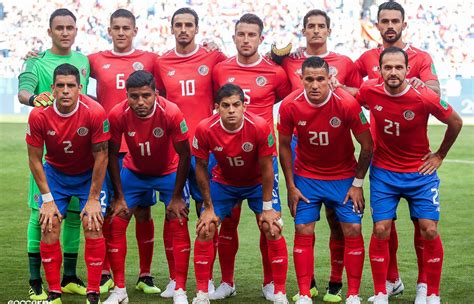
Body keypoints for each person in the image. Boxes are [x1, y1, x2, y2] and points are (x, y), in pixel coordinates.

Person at [356, 47, 462, 304]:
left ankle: (430, 292)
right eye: (388, 67)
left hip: (419, 174)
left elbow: (456, 122)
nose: (393, 72)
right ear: (379, 71)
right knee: (381, 229)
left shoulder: (424, 95)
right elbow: (353, 97)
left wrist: (439, 155)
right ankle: (382, 292)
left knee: (428, 229)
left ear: (407, 70)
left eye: (398, 67)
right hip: (384, 173)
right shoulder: (370, 90)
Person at [355, 3, 441, 302]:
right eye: (384, 21)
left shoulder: (421, 57)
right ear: (376, 25)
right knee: (383, 226)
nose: (390, 25)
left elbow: (435, 92)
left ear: (404, 24)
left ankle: (425, 285)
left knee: (423, 226)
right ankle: (391, 280)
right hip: (382, 159)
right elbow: (352, 93)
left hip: (416, 160)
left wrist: (421, 85)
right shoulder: (366, 58)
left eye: (395, 21)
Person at [280, 10, 362, 302]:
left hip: (341, 173)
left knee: (345, 226)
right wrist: (290, 184)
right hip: (306, 171)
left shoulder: (346, 69)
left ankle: (341, 286)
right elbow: (283, 144)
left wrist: (358, 182)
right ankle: (306, 287)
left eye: (321, 26)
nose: (315, 84)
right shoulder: (290, 67)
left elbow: (362, 94)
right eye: (310, 26)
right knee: (303, 226)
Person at [211, 13, 291, 301]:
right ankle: (227, 281)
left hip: (262, 160)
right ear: (234, 38)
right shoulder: (220, 69)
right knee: (227, 221)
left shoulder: (276, 73)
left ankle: (271, 283)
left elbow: (284, 97)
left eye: (251, 35)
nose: (246, 40)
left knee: (268, 221)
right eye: (241, 34)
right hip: (225, 156)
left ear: (261, 38)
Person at [191, 83, 289, 304]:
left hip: (256, 183)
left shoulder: (260, 126)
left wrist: (267, 208)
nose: (231, 110)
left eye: (236, 104)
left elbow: (267, 168)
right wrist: (208, 207)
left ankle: (276, 289)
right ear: (217, 108)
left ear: (245, 106)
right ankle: (206, 291)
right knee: (206, 228)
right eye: (225, 105)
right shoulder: (205, 128)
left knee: (271, 227)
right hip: (225, 183)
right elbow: (200, 167)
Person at [153, 7, 227, 297]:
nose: (183, 29)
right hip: (173, 152)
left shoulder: (214, 57)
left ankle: (205, 281)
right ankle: (175, 278)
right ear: (171, 29)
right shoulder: (161, 63)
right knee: (174, 213)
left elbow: (236, 73)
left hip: (205, 151)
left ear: (197, 29)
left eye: (189, 25)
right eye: (178, 25)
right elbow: (155, 98)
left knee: (206, 213)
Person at [18, 8, 90, 300]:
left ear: (75, 30)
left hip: (78, 153)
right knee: (41, 215)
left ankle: (70, 276)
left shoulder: (83, 60)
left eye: (69, 27)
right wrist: (36, 99)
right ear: (49, 31)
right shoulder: (37, 61)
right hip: (46, 152)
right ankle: (35, 280)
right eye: (58, 27)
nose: (64, 32)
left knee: (73, 216)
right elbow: (23, 94)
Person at [87, 8, 160, 295]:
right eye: (116, 27)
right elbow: (67, 65)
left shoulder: (151, 60)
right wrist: (36, 55)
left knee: (143, 210)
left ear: (134, 31)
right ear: (109, 29)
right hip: (107, 146)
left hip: (142, 148)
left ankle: (145, 274)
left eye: (126, 28)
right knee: (108, 211)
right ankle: (106, 271)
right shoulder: (94, 60)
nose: (121, 32)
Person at [25, 63, 109, 304]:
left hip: (88, 175)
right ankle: (54, 291)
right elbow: (34, 159)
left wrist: (93, 199)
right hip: (56, 174)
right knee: (49, 224)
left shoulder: (94, 111)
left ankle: (93, 291)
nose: (65, 91)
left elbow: (102, 155)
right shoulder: (39, 115)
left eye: (70, 86)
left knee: (93, 224)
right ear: (52, 88)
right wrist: (48, 200)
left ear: (80, 88)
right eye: (60, 86)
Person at [106, 70, 192, 304]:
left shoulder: (171, 112)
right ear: (127, 95)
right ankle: (119, 290)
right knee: (116, 221)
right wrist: (118, 196)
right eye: (134, 96)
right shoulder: (117, 114)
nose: (140, 102)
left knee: (178, 217)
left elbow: (185, 154)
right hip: (134, 173)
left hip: (169, 173)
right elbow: (112, 154)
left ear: (156, 93)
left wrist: (176, 196)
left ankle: (180, 288)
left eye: (146, 95)